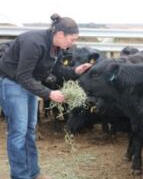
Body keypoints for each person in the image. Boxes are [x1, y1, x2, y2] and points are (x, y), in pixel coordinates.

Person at [0, 13, 92, 179]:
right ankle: (20, 176)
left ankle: (33, 173)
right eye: (72, 39)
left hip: (29, 84)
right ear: (60, 34)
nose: (74, 43)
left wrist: (75, 71)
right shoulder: (34, 43)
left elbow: (55, 70)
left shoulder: (56, 47)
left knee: (29, 130)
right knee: (18, 132)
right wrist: (49, 93)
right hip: (13, 83)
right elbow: (23, 76)